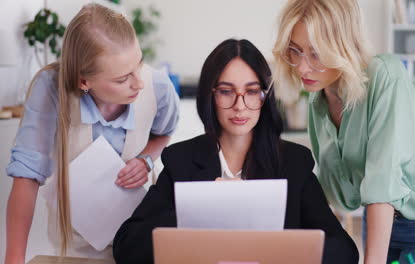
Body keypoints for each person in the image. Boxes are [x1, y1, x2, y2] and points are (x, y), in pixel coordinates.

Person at [112, 38, 358, 264]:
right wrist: (200, 207)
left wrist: (288, 248)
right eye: (227, 92)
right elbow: (127, 247)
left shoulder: (293, 162)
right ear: (210, 95)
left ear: (265, 97)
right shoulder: (182, 159)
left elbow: (345, 252)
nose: (240, 107)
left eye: (252, 92)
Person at [272, 1, 415, 264]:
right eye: (295, 51)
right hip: (381, 226)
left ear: (343, 46)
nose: (302, 67)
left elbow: (381, 181)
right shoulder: (318, 102)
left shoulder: (385, 75)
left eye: (316, 53)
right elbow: (337, 194)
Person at [4, 3, 179, 263]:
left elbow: (163, 134)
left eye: (138, 63)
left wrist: (145, 158)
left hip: (139, 240)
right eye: (122, 79)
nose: (138, 83)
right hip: (73, 243)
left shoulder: (159, 88)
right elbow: (26, 177)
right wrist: (13, 259)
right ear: (83, 82)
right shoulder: (50, 87)